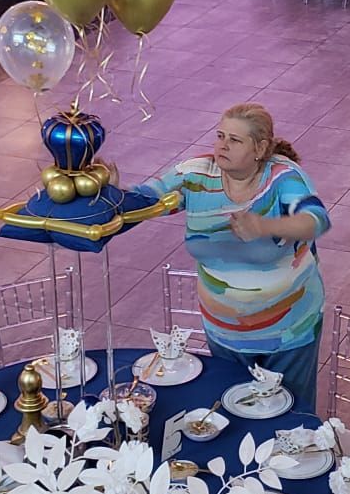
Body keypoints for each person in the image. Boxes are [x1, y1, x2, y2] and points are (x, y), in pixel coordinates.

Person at [136, 103, 330, 409]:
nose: (221, 146)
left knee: (289, 414)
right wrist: (107, 191)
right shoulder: (196, 174)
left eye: (235, 140)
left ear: (260, 147)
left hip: (290, 331)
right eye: (220, 136)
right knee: (236, 410)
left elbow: (315, 220)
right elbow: (146, 199)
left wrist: (266, 225)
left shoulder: (283, 177)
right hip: (224, 331)